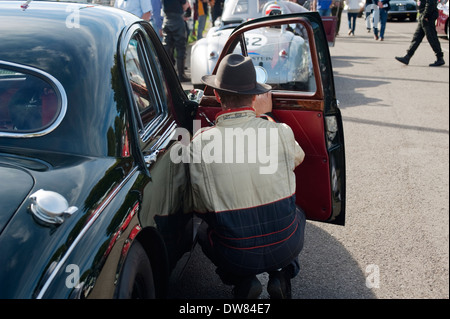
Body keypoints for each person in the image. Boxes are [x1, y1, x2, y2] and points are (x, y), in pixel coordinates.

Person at [189, 54, 306, 299]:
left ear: (218, 96)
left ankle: (242, 280)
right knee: (299, 214)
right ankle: (283, 273)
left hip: (237, 255)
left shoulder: (200, 144)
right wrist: (266, 118)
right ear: (255, 96)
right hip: (287, 245)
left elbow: (201, 207)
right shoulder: (281, 132)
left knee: (202, 232)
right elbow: (296, 159)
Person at [395, 0, 445, 66]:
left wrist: (425, 15)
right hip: (423, 15)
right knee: (417, 37)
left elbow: (430, 3)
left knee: (432, 37)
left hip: (428, 16)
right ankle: (407, 56)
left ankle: (440, 58)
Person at [162, 0, 191, 81]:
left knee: (167, 47)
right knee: (181, 47)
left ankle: (166, 74)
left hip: (166, 19)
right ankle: (181, 75)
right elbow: (185, 5)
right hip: (177, 19)